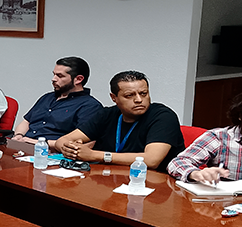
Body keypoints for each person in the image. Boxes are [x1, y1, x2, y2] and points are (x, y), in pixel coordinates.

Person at [56, 71, 185, 172]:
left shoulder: (163, 116)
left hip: (153, 184)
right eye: (130, 95)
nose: (139, 100)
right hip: (111, 178)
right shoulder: (107, 114)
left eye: (143, 93)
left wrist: (93, 155)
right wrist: (70, 149)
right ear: (114, 98)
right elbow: (62, 141)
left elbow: (151, 160)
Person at [12, 57, 102, 150]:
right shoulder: (47, 97)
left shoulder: (90, 106)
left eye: (60, 76)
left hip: (51, 152)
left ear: (78, 79)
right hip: (24, 146)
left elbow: (80, 142)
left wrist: (36, 142)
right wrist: (19, 135)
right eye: (54, 74)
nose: (53, 79)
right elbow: (27, 121)